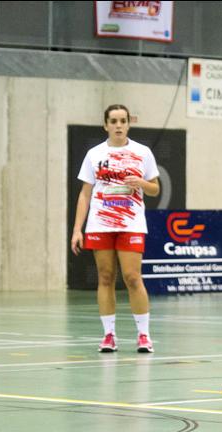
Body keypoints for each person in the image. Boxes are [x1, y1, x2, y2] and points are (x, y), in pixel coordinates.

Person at [71, 104, 160, 354]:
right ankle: (109, 335)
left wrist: (141, 182)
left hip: (131, 223)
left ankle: (144, 335)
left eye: (123, 121)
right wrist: (78, 229)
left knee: (132, 278)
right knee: (106, 277)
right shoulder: (94, 154)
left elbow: (155, 189)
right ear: (106, 125)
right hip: (100, 223)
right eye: (114, 121)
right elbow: (85, 195)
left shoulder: (142, 153)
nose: (119, 125)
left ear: (128, 124)